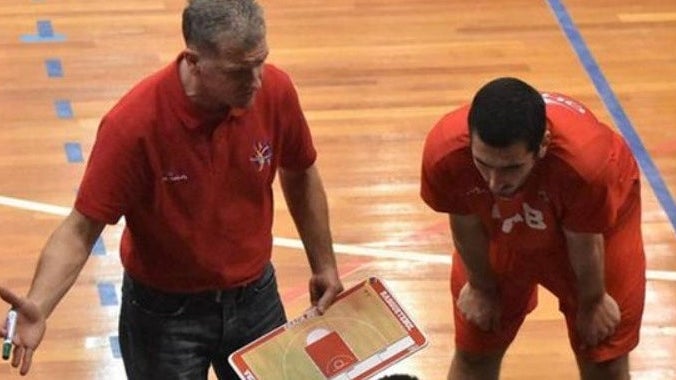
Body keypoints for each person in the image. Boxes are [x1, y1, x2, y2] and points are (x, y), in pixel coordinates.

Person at [0, 0, 343, 378]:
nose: (257, 80)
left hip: (255, 300)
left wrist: (323, 263)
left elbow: (300, 171)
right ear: (194, 62)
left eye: (260, 62)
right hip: (164, 317)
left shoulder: (275, 91)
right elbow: (82, 229)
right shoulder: (133, 126)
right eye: (239, 71)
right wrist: (40, 304)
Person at [420, 77, 645, 380]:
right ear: (469, 139)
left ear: (543, 145)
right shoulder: (445, 153)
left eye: (511, 167)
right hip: (502, 223)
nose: (494, 182)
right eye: (483, 163)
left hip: (593, 229)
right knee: (475, 350)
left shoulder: (587, 165)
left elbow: (585, 239)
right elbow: (464, 221)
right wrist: (481, 286)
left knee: (604, 358)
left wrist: (592, 302)